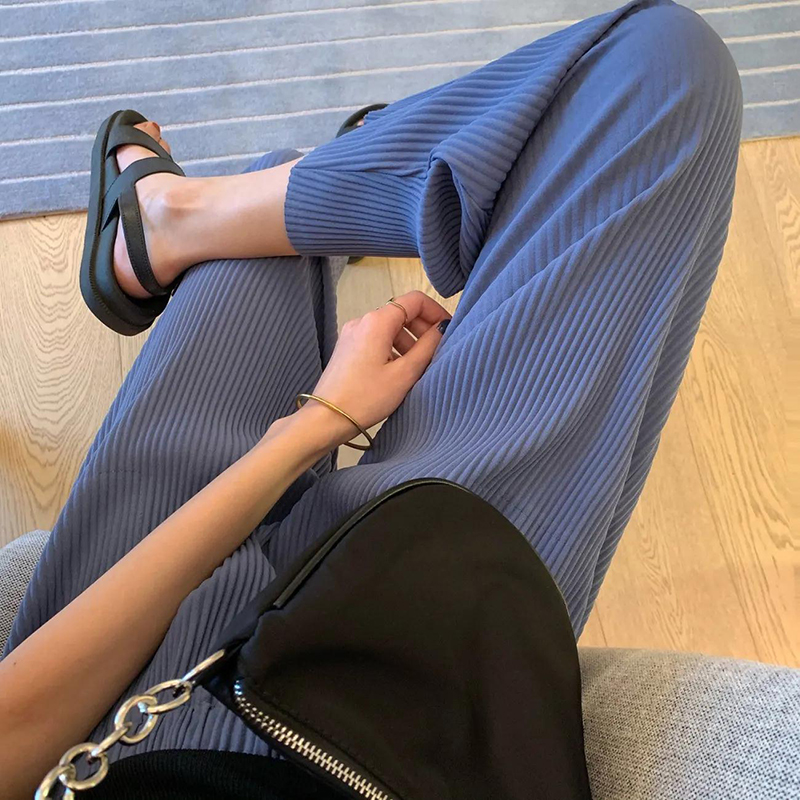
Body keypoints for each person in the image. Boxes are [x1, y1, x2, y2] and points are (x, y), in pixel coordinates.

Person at [0, 0, 742, 797]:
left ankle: (210, 215)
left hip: (94, 710)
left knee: (263, 237)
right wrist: (314, 424)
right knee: (664, 70)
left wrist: (309, 431)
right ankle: (262, 202)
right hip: (402, 713)